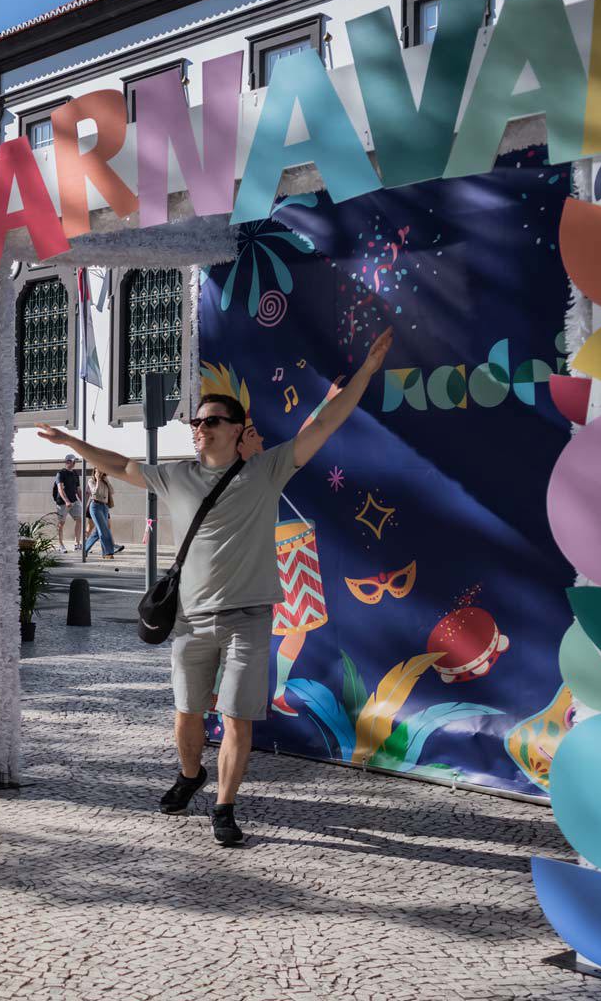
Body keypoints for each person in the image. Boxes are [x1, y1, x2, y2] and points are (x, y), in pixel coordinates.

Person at [38, 327, 393, 847]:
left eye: (210, 421)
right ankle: (190, 774)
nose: (198, 428)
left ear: (236, 428)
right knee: (187, 716)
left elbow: (325, 425)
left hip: (249, 617)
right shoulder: (176, 476)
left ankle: (224, 806)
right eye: (196, 421)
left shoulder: (268, 471)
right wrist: (72, 442)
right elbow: (118, 465)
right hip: (190, 618)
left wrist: (365, 373)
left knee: (235, 717)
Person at [82, 468, 123, 559]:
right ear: (95, 472)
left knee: (98, 532)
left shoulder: (105, 481)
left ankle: (84, 550)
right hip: (95, 506)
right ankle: (107, 553)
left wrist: (106, 481)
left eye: (102, 471)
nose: (101, 473)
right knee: (103, 530)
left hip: (104, 507)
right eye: (99, 471)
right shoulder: (91, 481)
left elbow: (112, 492)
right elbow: (95, 492)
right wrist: (98, 480)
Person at [51, 455, 83, 551]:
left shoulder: (75, 473)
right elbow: (60, 489)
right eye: (73, 461)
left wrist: (82, 501)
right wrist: (66, 501)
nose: (75, 463)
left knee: (79, 519)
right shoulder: (60, 474)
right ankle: (61, 545)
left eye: (75, 462)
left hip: (74, 501)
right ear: (68, 462)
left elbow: (78, 489)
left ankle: (77, 544)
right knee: (61, 523)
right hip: (62, 502)